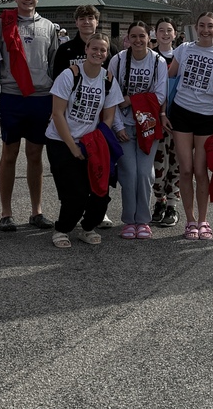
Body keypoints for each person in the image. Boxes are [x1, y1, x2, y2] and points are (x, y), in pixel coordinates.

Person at [0, 0, 59, 231]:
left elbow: (54, 64)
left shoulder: (49, 27)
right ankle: (6, 213)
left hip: (40, 98)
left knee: (35, 155)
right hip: (11, 96)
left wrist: (55, 102)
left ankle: (36, 211)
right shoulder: (2, 24)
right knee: (9, 154)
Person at [45, 34, 124, 248]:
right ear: (87, 50)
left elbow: (108, 116)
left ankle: (88, 227)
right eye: (94, 49)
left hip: (90, 142)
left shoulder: (107, 79)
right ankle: (62, 229)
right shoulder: (70, 75)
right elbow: (57, 114)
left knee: (101, 193)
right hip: (61, 141)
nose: (98, 53)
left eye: (103, 50)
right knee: (76, 193)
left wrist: (95, 141)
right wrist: (72, 146)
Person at [168, 12, 213, 240]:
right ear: (196, 27)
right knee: (185, 170)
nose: (205, 30)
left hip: (207, 116)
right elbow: (169, 77)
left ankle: (203, 220)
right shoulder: (184, 49)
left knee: (200, 170)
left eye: (210, 26)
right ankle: (190, 220)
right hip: (181, 113)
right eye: (202, 25)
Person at [108, 21, 169, 240]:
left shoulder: (158, 62)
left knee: (144, 174)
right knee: (129, 174)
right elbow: (111, 96)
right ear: (127, 38)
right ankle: (129, 220)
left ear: (149, 38)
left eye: (141, 36)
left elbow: (161, 95)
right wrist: (117, 125)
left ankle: (142, 220)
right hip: (123, 125)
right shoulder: (118, 60)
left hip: (147, 125)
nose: (137, 40)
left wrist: (131, 100)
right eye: (133, 36)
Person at [151, 17, 181, 227]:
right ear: (155, 33)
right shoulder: (151, 57)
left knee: (177, 162)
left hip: (179, 118)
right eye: (161, 30)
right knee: (158, 164)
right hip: (156, 120)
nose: (165, 34)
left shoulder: (182, 55)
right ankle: (159, 201)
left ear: (175, 33)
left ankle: (172, 204)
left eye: (169, 30)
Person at [52, 5, 104, 77]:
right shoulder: (64, 50)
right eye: (82, 19)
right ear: (76, 23)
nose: (86, 22)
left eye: (90, 18)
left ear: (97, 22)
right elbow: (57, 79)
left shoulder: (108, 49)